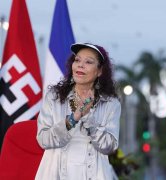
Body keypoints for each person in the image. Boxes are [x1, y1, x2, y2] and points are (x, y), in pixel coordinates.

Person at [35, 43, 121, 180]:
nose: (80, 65)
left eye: (88, 62)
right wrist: (73, 119)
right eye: (77, 60)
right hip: (55, 173)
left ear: (100, 71)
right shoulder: (54, 97)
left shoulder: (110, 103)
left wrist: (88, 118)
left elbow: (109, 146)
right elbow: (43, 140)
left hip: (95, 174)